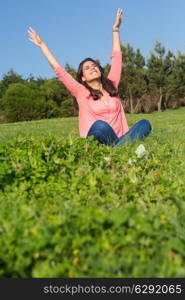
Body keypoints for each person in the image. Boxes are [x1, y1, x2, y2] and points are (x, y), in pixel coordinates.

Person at [28, 8, 151, 147]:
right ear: (83, 78)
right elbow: (60, 71)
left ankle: (116, 152)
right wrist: (41, 45)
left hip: (119, 138)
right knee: (100, 126)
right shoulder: (81, 92)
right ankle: (121, 151)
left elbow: (117, 58)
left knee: (144, 124)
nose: (92, 67)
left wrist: (115, 30)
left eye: (94, 65)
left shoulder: (112, 85)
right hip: (97, 139)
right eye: (87, 68)